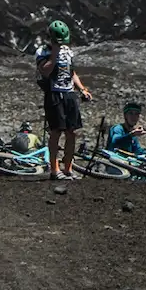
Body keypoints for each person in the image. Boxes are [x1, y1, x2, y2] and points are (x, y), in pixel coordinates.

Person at [36, 19, 91, 180]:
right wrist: (53, 54)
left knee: (71, 132)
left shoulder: (68, 51)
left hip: (69, 94)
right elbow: (45, 71)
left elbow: (71, 72)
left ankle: (68, 168)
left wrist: (82, 89)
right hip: (54, 94)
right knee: (56, 131)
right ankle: (54, 169)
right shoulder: (43, 51)